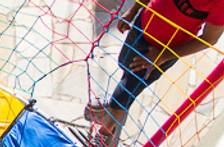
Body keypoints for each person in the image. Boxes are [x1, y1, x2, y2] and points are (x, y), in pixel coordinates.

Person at [85, 0, 224, 139]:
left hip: (161, 52)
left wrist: (163, 56)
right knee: (125, 68)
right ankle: (114, 111)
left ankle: (106, 134)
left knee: (127, 88)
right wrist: (132, 12)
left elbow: (209, 39)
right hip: (142, 27)